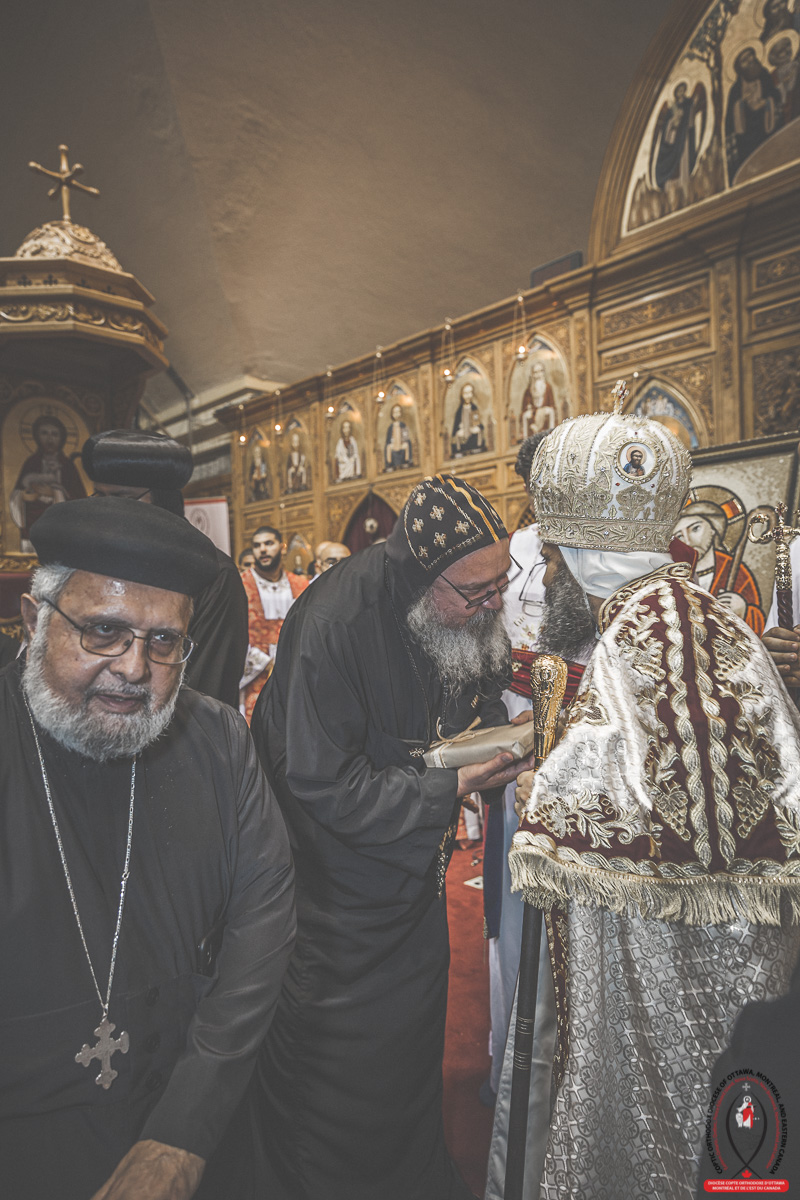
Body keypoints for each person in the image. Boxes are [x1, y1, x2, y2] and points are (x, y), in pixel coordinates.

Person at [489, 400, 800, 1198]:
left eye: (553, 557)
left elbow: (663, 806)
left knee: (662, 1132)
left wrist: (541, 794)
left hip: (678, 960)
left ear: (584, 555)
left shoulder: (641, 634)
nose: (548, 575)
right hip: (749, 954)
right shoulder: (703, 616)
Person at [250, 473, 537, 1200]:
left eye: (500, 583)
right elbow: (322, 785)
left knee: (410, 1064)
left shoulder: (458, 608)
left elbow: (477, 688)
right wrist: (452, 786)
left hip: (413, 874)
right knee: (338, 1086)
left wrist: (501, 738)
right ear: (419, 580)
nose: (493, 603)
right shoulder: (334, 623)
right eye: (477, 592)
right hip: (331, 900)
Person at [0, 496, 296, 1200]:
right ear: (35, 622)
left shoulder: (216, 739)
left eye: (164, 642)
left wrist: (186, 1129)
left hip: (191, 1107)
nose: (135, 669)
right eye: (103, 631)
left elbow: (263, 926)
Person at [482, 433, 593, 1139]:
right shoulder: (517, 551)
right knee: (518, 929)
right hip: (519, 764)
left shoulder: (608, 563)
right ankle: (515, 1078)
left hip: (584, 791)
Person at [81, 430, 248, 709]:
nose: (110, 510)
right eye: (100, 496)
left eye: (122, 498)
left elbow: (207, 690)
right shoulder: (90, 559)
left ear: (162, 500)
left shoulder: (214, 574)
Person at [240, 525, 308, 722]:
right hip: (255, 674)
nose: (262, 549)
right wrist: (267, 662)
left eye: (269, 543)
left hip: (295, 672)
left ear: (282, 547)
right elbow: (233, 634)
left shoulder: (301, 584)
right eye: (257, 545)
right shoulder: (241, 584)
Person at [673, 497, 765, 633]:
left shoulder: (734, 570)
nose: (688, 540)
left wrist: (743, 609)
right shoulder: (675, 572)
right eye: (679, 536)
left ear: (714, 528)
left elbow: (761, 626)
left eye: (695, 529)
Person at [10, 412, 86, 549]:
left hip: (61, 525)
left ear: (61, 438)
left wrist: (55, 493)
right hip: (34, 523)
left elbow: (80, 499)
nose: (50, 439)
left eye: (55, 434)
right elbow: (17, 493)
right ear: (37, 436)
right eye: (44, 433)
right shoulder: (31, 463)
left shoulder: (67, 466)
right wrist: (26, 495)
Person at [520, 362, 556, 440]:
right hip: (533, 411)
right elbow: (525, 406)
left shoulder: (547, 387)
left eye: (540, 371)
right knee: (525, 415)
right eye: (535, 372)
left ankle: (552, 436)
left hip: (544, 409)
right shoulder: (529, 390)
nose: (538, 375)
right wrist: (529, 408)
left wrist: (543, 409)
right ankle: (526, 439)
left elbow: (552, 404)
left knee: (550, 411)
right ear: (532, 374)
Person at [451, 382, 486, 456]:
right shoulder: (459, 411)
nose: (468, 396)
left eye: (470, 393)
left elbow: (478, 423)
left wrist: (477, 428)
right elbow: (455, 429)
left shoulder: (474, 408)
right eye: (465, 393)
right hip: (463, 442)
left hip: (473, 440)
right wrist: (458, 432)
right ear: (462, 395)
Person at [384, 402, 413, 470]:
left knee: (406, 445)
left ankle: (406, 462)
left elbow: (406, 437)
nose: (397, 414)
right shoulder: (391, 427)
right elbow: (388, 440)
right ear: (392, 414)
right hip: (394, 445)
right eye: (395, 412)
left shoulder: (402, 425)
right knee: (388, 447)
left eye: (398, 412)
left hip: (401, 444)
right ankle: (389, 465)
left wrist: (403, 441)